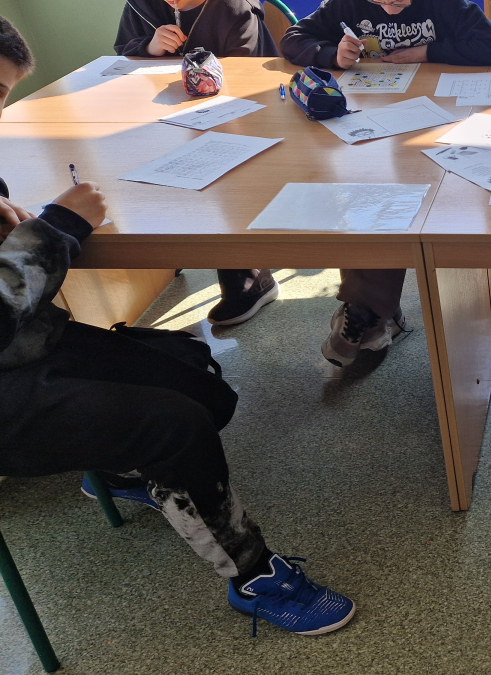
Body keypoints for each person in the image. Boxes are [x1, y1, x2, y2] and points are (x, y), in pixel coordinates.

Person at [0, 16, 354, 636]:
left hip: (28, 347)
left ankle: (118, 468)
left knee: (198, 380)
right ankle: (253, 577)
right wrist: (56, 229)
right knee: (175, 426)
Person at [280, 0, 491, 366]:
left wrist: (428, 51)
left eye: (399, 0)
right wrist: (331, 54)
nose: (389, 8)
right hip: (370, 125)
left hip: (435, 126)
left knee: (423, 196)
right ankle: (370, 309)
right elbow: (292, 39)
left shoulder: (447, 5)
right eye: (381, 0)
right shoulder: (347, 4)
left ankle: (369, 309)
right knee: (363, 189)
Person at [116, 0, 282, 326]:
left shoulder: (234, 8)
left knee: (219, 167)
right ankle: (169, 250)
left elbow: (250, 78)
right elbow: (122, 55)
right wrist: (148, 47)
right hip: (160, 115)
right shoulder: (138, 5)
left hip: (231, 117)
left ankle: (244, 272)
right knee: (132, 158)